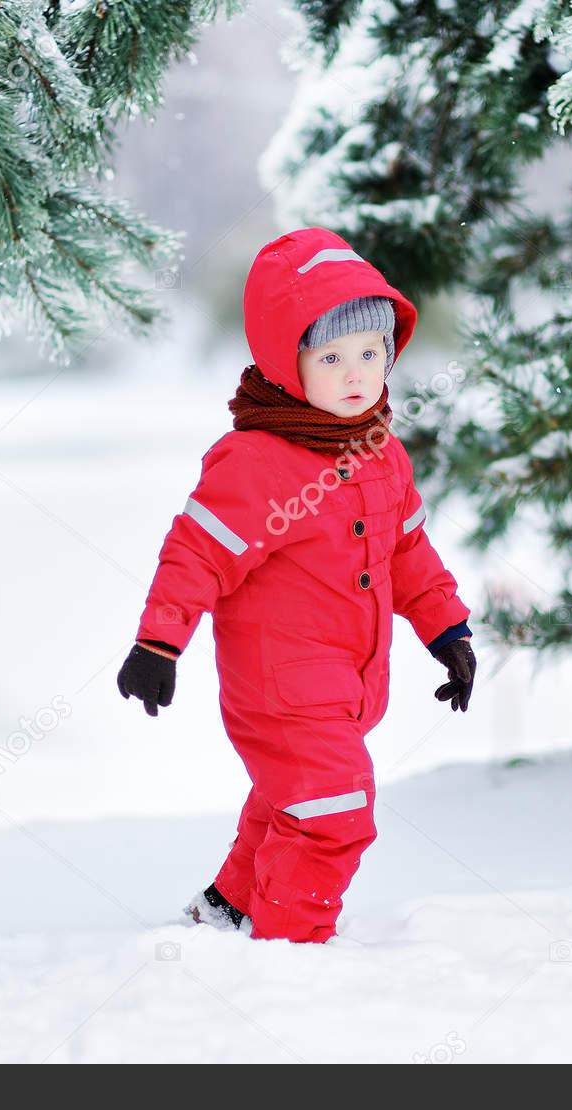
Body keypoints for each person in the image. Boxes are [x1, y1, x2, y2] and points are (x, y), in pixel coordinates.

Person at [117, 226, 476, 943]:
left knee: (292, 803)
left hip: (347, 684)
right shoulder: (255, 461)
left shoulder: (381, 452)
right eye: (333, 356)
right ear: (289, 361)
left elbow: (410, 554)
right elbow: (196, 556)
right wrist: (159, 643)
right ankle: (290, 949)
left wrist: (448, 630)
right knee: (334, 812)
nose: (356, 374)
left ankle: (227, 911)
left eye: (371, 354)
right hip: (279, 688)